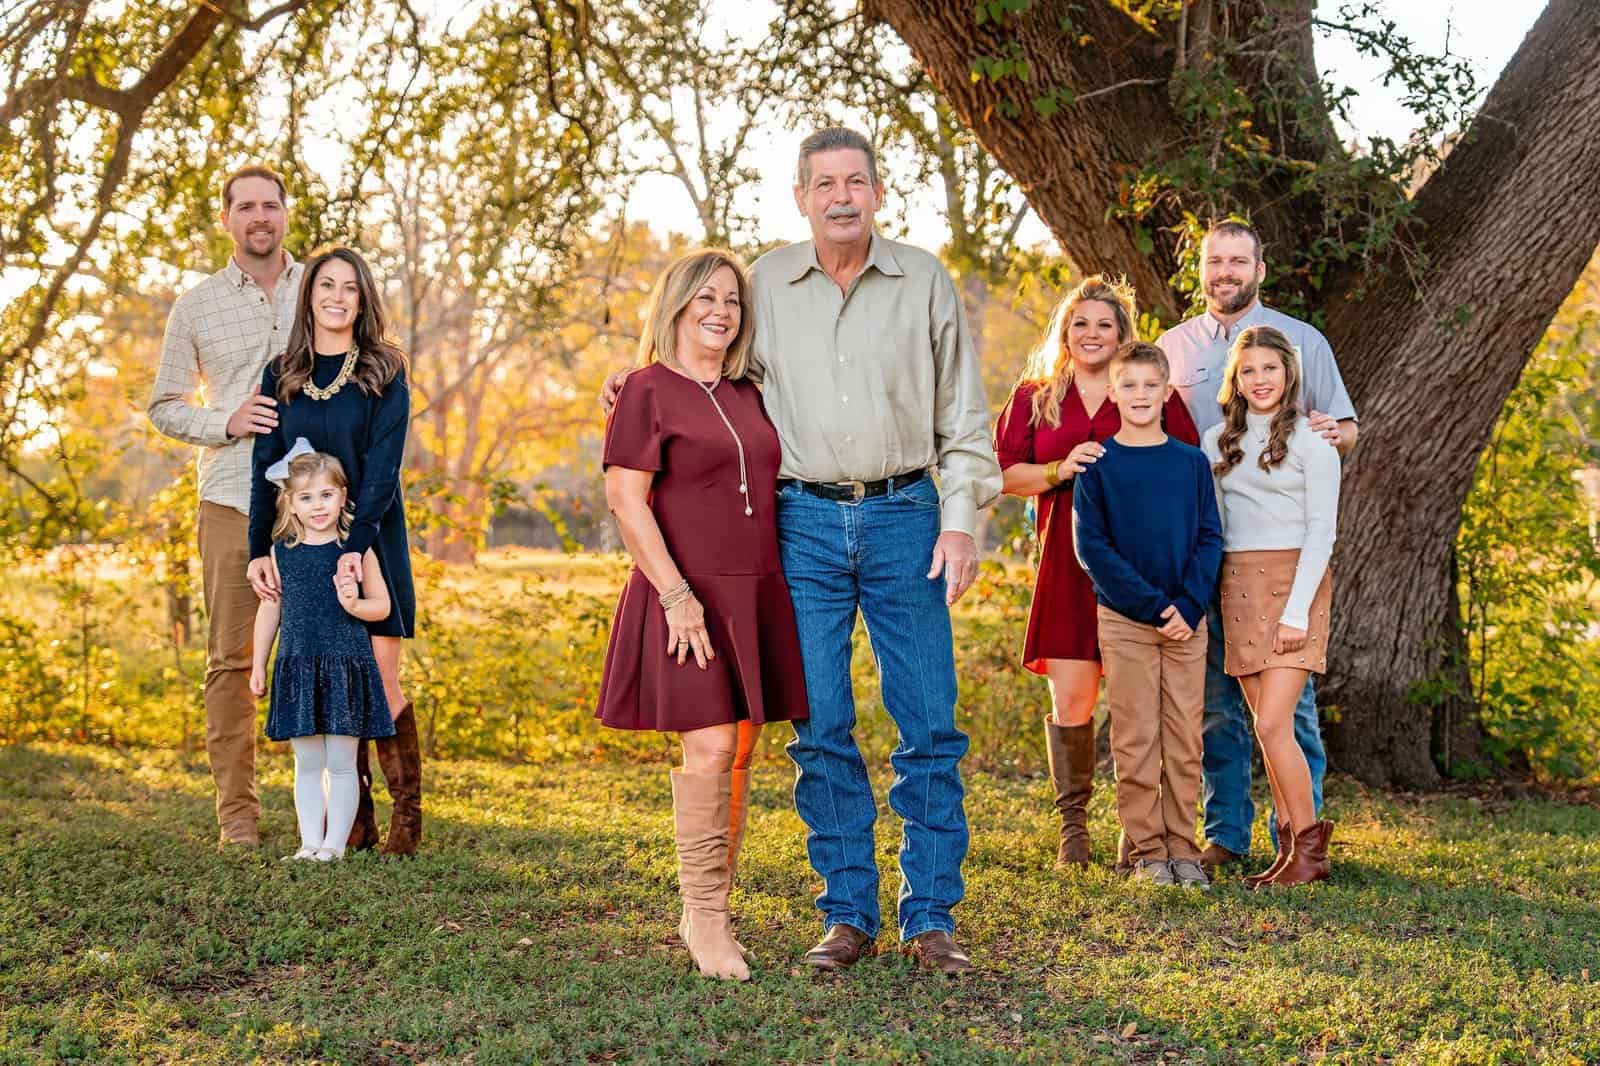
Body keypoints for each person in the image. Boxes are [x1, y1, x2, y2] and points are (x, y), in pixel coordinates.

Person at [604, 128, 1000, 974]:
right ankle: (847, 913)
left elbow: (966, 413)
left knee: (928, 723)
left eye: (856, 180)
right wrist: (629, 383)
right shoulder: (763, 284)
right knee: (819, 726)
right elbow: (695, 359)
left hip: (908, 515)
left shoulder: (925, 278)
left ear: (879, 192)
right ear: (801, 196)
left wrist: (961, 518)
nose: (842, 196)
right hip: (801, 527)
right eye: (825, 183)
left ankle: (931, 917)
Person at [595, 248, 810, 982]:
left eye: (732, 300)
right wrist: (676, 595)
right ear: (677, 307)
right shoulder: (645, 390)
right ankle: (707, 921)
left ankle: (708, 906)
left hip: (754, 587)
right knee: (712, 746)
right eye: (704, 299)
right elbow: (627, 501)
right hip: (683, 591)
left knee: (741, 748)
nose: (720, 311)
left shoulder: (752, 390)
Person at [1155, 220, 1357, 871]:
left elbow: (1343, 433)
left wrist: (1327, 434)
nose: (1226, 272)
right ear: (1202, 268)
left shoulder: (1305, 341)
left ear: (1260, 268)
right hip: (1218, 564)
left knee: (1286, 718)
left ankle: (1297, 838)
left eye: (1239, 260)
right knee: (1220, 707)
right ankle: (1227, 834)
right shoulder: (1172, 349)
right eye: (1216, 261)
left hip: (1291, 570)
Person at [995, 276, 1198, 869]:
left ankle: (1140, 834)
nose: (1091, 334)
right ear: (1065, 331)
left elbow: (1184, 469)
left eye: (1104, 324)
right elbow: (1002, 474)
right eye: (1080, 323)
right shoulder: (1037, 395)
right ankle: (1073, 830)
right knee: (1074, 697)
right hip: (1065, 562)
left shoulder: (1143, 389)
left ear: (1122, 334)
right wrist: (1059, 468)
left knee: (1141, 704)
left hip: (1140, 562)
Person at [246, 246, 420, 856]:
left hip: (372, 540)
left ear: (363, 298)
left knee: (378, 679)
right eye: (326, 286)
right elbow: (264, 467)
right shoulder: (281, 375)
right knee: (327, 688)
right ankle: (353, 825)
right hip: (300, 545)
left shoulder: (384, 371)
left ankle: (405, 821)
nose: (338, 297)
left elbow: (383, 470)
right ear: (310, 296)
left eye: (350, 287)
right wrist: (257, 549)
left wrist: (354, 545)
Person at [148, 164, 300, 848]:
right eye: (247, 206)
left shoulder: (324, 285)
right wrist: (226, 420)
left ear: (286, 213)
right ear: (227, 220)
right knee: (232, 660)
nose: (260, 216)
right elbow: (164, 405)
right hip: (232, 500)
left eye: (270, 204)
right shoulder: (196, 305)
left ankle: (339, 809)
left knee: (329, 647)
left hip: (320, 505)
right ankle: (238, 816)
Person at [1071, 342, 1223, 888]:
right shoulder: (1098, 465)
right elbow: (1093, 549)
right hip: (1126, 621)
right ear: (1114, 393)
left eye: (1149, 386)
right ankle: (1145, 852)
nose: (1139, 395)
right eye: (1128, 385)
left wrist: (1185, 605)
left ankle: (1184, 848)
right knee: (1136, 740)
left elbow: (1210, 537)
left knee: (1185, 740)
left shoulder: (1190, 463)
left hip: (1187, 623)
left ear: (1166, 392)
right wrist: (1154, 606)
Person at [1201, 326, 1340, 886]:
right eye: (1249, 370)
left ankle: (1310, 854)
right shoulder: (1217, 442)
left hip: (1293, 586)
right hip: (1237, 584)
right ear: (1235, 379)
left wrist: (1295, 612)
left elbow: (1322, 532)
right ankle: (1288, 848)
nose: (1260, 380)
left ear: (1289, 375)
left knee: (1277, 722)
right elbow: (1212, 524)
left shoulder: (1312, 442)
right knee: (1265, 728)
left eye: (1270, 369)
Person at [250, 450, 395, 861]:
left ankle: (334, 847)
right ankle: (310, 842)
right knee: (307, 762)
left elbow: (381, 607)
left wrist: (353, 606)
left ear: (343, 495)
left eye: (326, 495)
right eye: (307, 498)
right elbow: (270, 610)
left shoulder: (354, 551)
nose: (318, 506)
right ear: (290, 503)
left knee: (343, 763)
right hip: (298, 666)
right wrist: (259, 663)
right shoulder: (282, 552)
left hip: (345, 666)